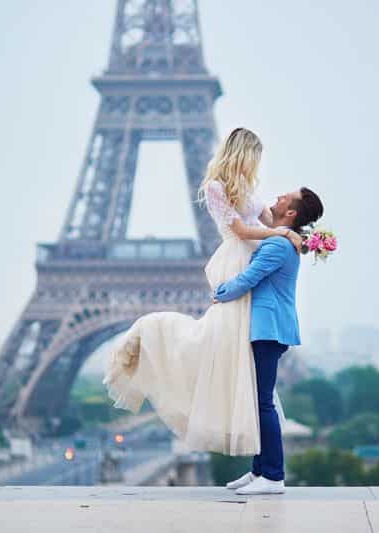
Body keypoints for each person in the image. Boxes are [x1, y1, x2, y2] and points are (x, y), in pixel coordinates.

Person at [101, 127, 303, 456]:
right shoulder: (216, 187)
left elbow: (270, 220)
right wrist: (279, 233)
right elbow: (240, 228)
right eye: (255, 157)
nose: (257, 165)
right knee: (222, 337)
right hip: (237, 256)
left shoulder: (249, 189)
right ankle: (153, 337)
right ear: (243, 153)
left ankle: (260, 466)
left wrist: (295, 234)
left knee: (240, 354)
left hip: (253, 254)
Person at [217, 186, 324, 495]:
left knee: (263, 402)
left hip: (269, 329)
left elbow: (249, 278)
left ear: (290, 213)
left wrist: (219, 293)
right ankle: (259, 471)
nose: (276, 198)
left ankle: (273, 476)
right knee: (259, 401)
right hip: (269, 328)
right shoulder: (281, 239)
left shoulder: (277, 245)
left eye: (283, 198)